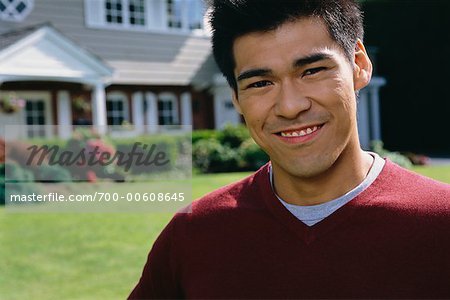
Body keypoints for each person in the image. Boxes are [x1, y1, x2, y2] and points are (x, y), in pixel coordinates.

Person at [129, 0, 450, 298]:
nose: (290, 106)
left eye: (312, 71)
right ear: (237, 98)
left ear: (359, 65)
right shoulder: (192, 235)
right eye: (260, 83)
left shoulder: (440, 223)